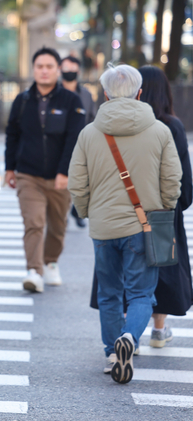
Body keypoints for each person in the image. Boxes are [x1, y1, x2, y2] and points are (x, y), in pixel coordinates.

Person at [68, 63, 182, 384]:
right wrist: (163, 209)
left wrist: (88, 210)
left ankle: (110, 351)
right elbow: (172, 179)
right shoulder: (159, 130)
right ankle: (130, 338)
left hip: (104, 228)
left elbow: (77, 182)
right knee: (142, 295)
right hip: (145, 226)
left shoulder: (90, 132)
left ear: (104, 94)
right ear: (139, 92)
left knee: (108, 293)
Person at [88, 65, 193, 349]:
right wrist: (171, 206)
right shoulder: (170, 126)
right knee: (158, 275)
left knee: (118, 278)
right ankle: (157, 329)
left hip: (113, 215)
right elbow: (180, 177)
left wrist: (88, 210)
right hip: (159, 216)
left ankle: (122, 333)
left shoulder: (103, 125)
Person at [5, 47, 86, 293]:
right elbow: (12, 135)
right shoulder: (23, 100)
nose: (44, 71)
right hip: (28, 175)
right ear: (33, 69)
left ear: (58, 69)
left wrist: (65, 172)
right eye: (39, 66)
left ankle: (51, 262)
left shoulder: (72, 101)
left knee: (58, 225)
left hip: (60, 178)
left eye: (49, 66)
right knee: (34, 222)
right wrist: (10, 168)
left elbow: (75, 139)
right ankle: (34, 270)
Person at [61, 55, 96, 229]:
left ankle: (76, 209)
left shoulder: (86, 95)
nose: (69, 72)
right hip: (58, 145)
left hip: (81, 145)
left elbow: (93, 118)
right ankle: (61, 212)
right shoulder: (54, 94)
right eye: (66, 68)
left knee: (82, 181)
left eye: (73, 69)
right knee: (61, 180)